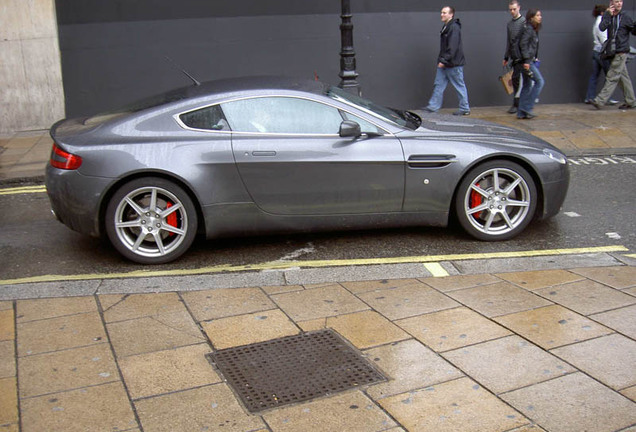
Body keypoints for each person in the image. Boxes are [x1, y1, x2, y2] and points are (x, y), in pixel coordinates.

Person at [423, 6, 471, 116]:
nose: (442, 14)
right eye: (441, 12)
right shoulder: (447, 27)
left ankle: (464, 108)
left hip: (453, 64)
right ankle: (433, 107)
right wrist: (443, 61)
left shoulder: (453, 27)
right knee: (439, 84)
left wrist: (443, 60)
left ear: (451, 14)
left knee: (459, 86)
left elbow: (452, 47)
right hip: (446, 64)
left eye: (444, 13)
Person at [591, 0, 636, 110]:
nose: (619, 3)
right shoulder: (609, 15)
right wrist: (607, 15)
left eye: (621, 1)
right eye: (617, 1)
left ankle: (600, 100)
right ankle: (631, 101)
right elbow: (602, 27)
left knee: (612, 76)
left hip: (621, 51)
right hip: (612, 52)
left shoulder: (625, 17)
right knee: (623, 78)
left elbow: (634, 31)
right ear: (612, 3)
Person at [585, 4, 618, 105]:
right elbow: (604, 39)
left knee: (594, 75)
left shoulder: (596, 22)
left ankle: (589, 97)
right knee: (610, 76)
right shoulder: (601, 23)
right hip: (602, 53)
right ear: (604, 13)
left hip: (596, 51)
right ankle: (605, 98)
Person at [517, 9, 544, 119]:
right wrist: (527, 61)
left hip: (527, 60)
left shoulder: (532, 29)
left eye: (540, 15)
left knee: (527, 85)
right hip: (527, 62)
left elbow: (530, 46)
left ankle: (521, 112)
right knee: (539, 82)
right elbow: (523, 45)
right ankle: (527, 107)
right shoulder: (529, 29)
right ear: (531, 17)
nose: (540, 17)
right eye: (537, 15)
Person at [503, 0, 526, 114]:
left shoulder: (524, 22)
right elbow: (509, 41)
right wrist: (506, 57)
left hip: (522, 57)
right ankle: (519, 104)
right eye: (510, 9)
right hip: (514, 56)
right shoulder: (510, 24)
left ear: (519, 8)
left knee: (519, 80)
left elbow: (526, 40)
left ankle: (518, 104)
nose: (512, 11)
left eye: (514, 9)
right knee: (516, 80)